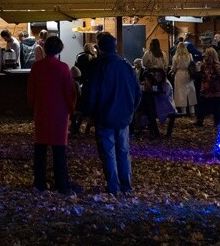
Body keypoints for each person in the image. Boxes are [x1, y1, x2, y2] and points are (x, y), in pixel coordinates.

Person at [85, 32, 141, 196]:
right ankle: (126, 185)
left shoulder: (98, 66)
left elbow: (92, 92)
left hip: (104, 115)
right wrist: (131, 110)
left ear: (99, 48)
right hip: (123, 115)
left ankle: (113, 185)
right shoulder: (126, 66)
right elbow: (137, 92)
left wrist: (89, 111)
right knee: (123, 151)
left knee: (108, 151)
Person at [26, 36, 77, 194]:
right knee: (59, 150)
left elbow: (31, 90)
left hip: (41, 110)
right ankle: (62, 183)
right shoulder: (63, 68)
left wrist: (34, 104)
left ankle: (39, 183)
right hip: (59, 112)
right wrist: (71, 109)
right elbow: (69, 92)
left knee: (40, 148)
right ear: (59, 50)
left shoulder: (37, 67)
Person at [198, 47, 220, 127]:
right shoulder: (204, 64)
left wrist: (210, 77)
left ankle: (217, 122)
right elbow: (202, 74)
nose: (205, 55)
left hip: (214, 88)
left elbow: (219, 76)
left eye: (207, 54)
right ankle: (200, 120)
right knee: (202, 104)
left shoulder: (216, 66)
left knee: (216, 106)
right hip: (206, 87)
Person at [171, 42, 198, 119]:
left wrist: (172, 72)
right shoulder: (189, 56)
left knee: (181, 93)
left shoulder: (175, 57)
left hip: (179, 74)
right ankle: (192, 111)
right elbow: (192, 65)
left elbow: (173, 68)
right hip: (188, 74)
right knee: (190, 91)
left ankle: (183, 111)